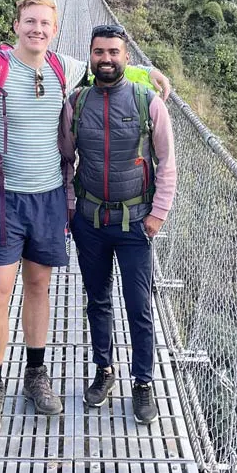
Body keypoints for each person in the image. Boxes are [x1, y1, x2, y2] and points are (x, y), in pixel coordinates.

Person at [0, 0, 171, 436]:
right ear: (16, 25)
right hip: (2, 196)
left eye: (45, 23)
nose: (37, 30)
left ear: (56, 29)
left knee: (39, 286)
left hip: (49, 197)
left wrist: (149, 72)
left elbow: (111, 69)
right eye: (30, 22)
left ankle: (36, 374)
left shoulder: (64, 67)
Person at [59, 23, 177, 425]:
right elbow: (65, 160)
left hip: (135, 223)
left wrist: (157, 215)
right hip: (90, 221)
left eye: (114, 52)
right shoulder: (76, 103)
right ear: (90, 57)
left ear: (127, 57)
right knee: (97, 301)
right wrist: (71, 208)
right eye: (99, 53)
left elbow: (167, 164)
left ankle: (143, 383)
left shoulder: (149, 103)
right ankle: (104, 371)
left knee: (139, 306)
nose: (106, 59)